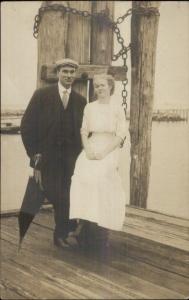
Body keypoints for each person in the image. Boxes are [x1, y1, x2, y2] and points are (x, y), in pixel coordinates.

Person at [20, 58, 86, 249]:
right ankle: (61, 234)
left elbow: (85, 131)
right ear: (58, 73)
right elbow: (27, 126)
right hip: (47, 159)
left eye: (72, 72)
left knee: (69, 196)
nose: (68, 76)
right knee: (58, 196)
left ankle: (63, 234)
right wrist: (34, 154)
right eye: (65, 71)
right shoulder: (42, 95)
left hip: (71, 160)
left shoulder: (80, 101)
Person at [69, 74, 127, 254]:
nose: (99, 89)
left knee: (101, 180)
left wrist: (104, 152)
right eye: (96, 86)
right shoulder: (90, 107)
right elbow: (84, 131)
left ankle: (101, 230)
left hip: (109, 148)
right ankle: (84, 225)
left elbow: (120, 135)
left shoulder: (117, 108)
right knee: (81, 175)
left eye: (102, 86)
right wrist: (87, 150)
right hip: (91, 147)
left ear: (110, 87)